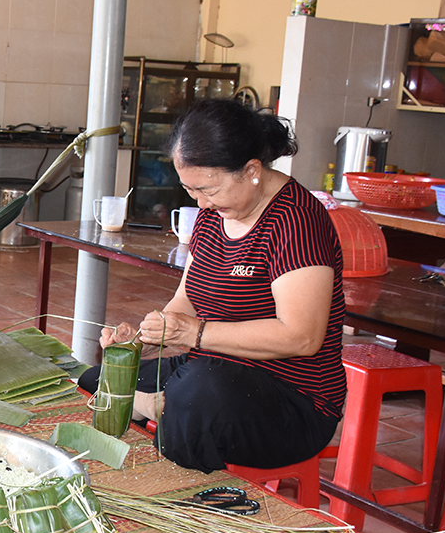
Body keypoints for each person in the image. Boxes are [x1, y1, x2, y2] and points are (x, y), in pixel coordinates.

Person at [79, 98, 345, 473]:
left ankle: (172, 482)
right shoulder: (214, 214)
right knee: (99, 380)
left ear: (252, 170)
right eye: (191, 192)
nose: (202, 203)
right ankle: (153, 415)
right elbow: (187, 297)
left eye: (209, 189)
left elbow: (301, 336)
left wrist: (195, 333)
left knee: (193, 395)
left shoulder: (296, 221)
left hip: (290, 400)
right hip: (211, 371)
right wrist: (142, 340)